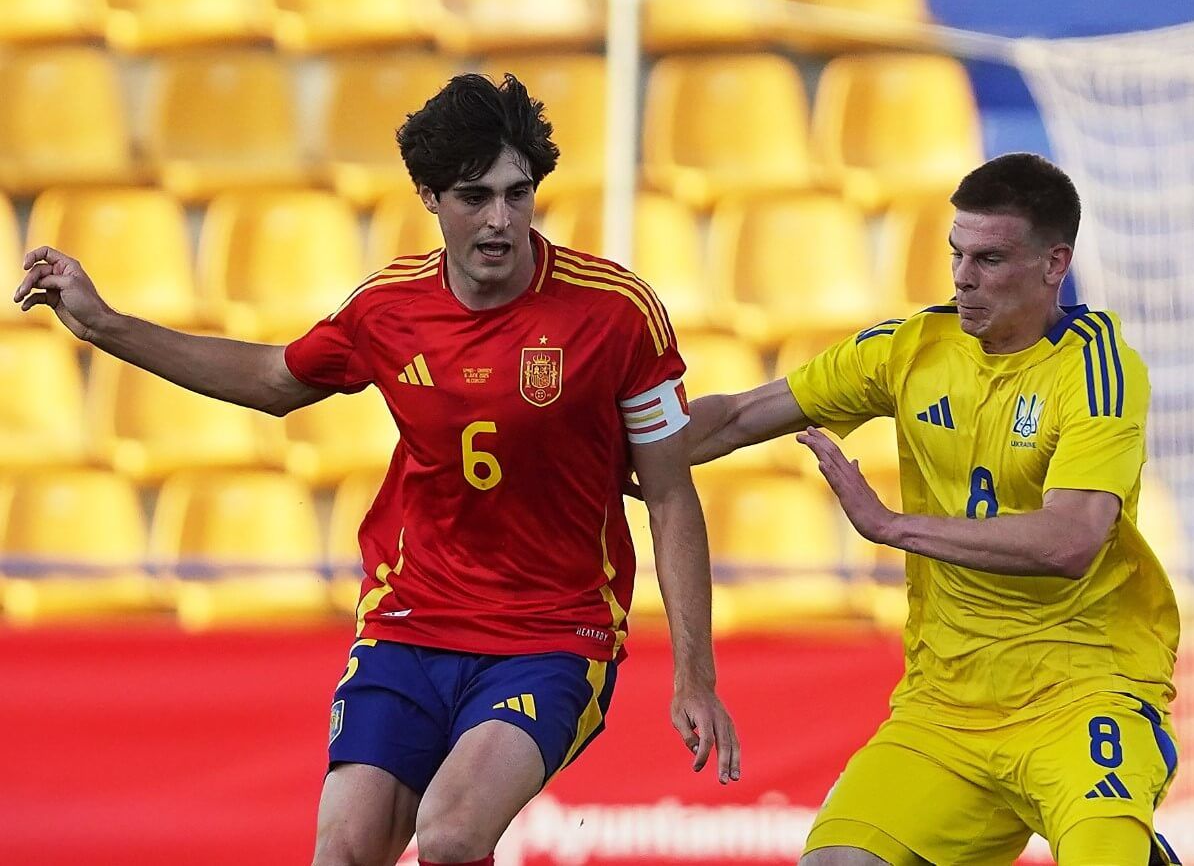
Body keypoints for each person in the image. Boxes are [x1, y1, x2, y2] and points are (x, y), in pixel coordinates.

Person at [14, 73, 740, 866]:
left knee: (455, 834)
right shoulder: (387, 309)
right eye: (475, 197)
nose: (502, 220)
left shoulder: (614, 311)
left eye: (518, 193)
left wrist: (693, 676)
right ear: (429, 197)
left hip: (552, 632)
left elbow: (670, 496)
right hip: (411, 619)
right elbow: (269, 382)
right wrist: (105, 326)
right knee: (345, 850)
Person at [686, 153, 1180, 866]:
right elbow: (734, 419)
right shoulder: (910, 349)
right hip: (946, 707)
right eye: (956, 253)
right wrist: (606, 455)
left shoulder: (1098, 368)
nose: (962, 276)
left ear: (1054, 265)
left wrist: (891, 527)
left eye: (990, 258)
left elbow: (1070, 542)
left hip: (1084, 696)